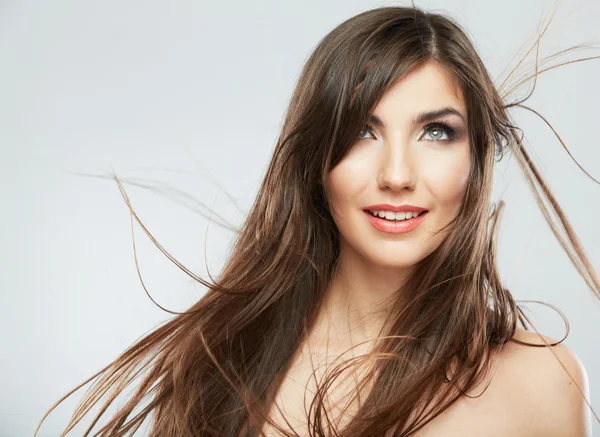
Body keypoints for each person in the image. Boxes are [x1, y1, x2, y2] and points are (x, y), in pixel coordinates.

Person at [36, 4, 598, 437]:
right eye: (361, 131)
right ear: (316, 161)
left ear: (475, 157)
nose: (397, 174)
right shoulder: (221, 362)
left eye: (436, 132)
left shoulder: (543, 380)